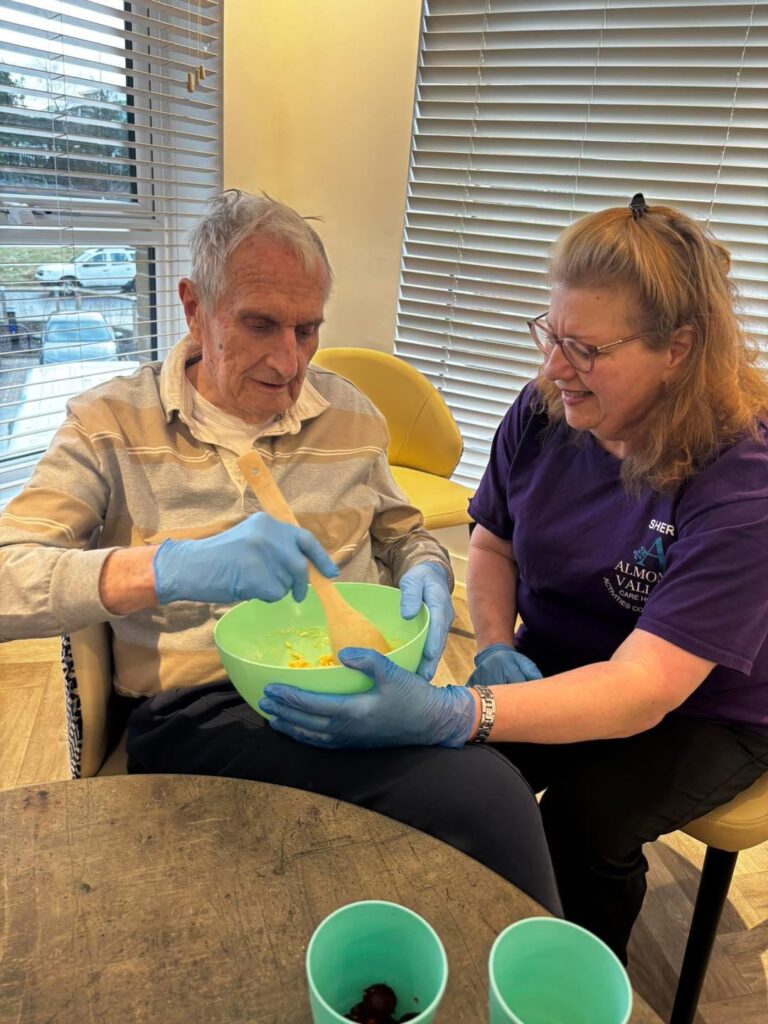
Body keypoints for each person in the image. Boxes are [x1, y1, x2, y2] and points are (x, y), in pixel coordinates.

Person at [0, 189, 561, 915]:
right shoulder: (110, 423)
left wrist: (423, 568)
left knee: (500, 773)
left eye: (307, 329)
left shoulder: (349, 413)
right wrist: (167, 568)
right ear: (195, 307)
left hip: (359, 682)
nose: (288, 360)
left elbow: (401, 531)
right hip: (200, 711)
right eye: (261, 324)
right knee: (487, 800)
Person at [259, 195, 768, 962]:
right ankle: (458, 941)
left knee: (585, 819)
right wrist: (494, 645)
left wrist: (458, 709)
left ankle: (569, 983)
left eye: (586, 350)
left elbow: (645, 687)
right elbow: (493, 542)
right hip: (563, 655)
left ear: (679, 348)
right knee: (454, 781)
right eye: (551, 335)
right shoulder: (545, 412)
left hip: (709, 703)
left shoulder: (742, 483)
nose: (554, 369)